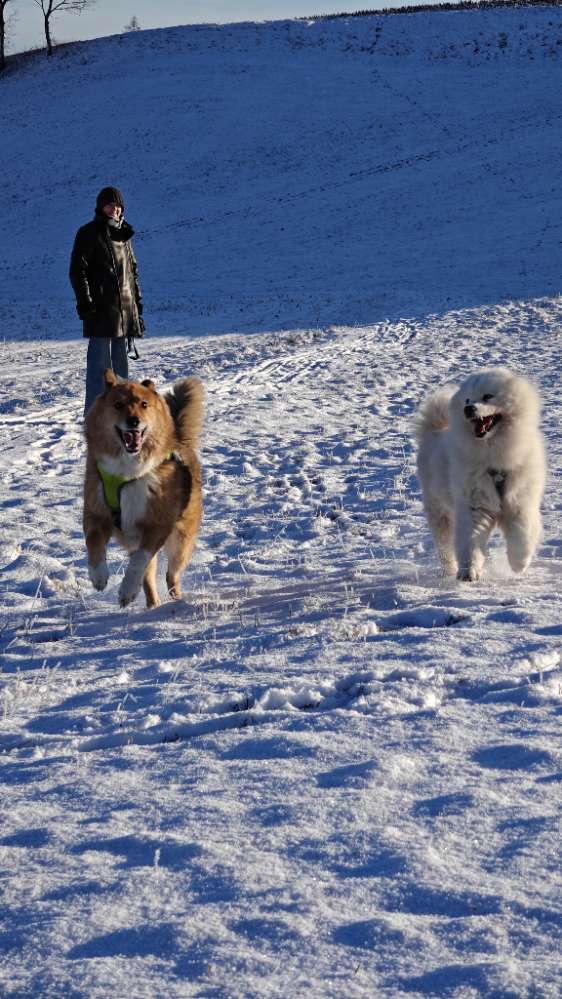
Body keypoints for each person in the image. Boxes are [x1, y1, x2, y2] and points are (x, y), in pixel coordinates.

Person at [69, 186, 144, 413]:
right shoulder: (89, 233)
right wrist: (85, 302)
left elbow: (133, 274)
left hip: (125, 312)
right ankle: (94, 415)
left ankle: (120, 414)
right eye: (110, 205)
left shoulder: (125, 235)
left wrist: (137, 311)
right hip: (100, 311)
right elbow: (77, 270)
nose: (115, 210)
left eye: (119, 206)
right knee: (99, 371)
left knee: (121, 370)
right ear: (101, 207)